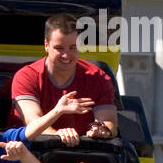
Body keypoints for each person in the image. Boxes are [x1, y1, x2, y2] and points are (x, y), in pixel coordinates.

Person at [11, 12, 118, 145]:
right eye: (59, 48)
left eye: (73, 48)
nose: (66, 55)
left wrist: (102, 130)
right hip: (31, 151)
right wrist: (57, 136)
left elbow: (109, 122)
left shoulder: (98, 78)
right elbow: (32, 121)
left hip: (85, 152)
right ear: (46, 45)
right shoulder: (27, 76)